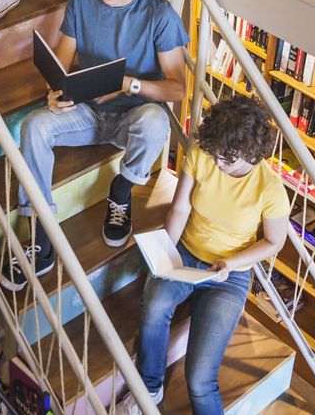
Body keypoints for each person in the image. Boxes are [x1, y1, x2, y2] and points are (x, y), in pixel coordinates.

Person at [2, 0, 188, 291]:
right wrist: (53, 91)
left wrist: (130, 84)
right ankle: (39, 229)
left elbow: (178, 87)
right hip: (85, 112)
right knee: (34, 126)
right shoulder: (82, 1)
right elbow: (63, 57)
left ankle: (123, 187)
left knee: (156, 121)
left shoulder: (160, 15)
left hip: (132, 116)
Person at [120, 97, 290, 415]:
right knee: (154, 306)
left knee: (199, 379)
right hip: (186, 253)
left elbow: (273, 242)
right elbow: (181, 205)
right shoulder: (204, 153)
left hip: (230, 275)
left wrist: (232, 263)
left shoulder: (270, 190)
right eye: (213, 155)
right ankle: (149, 388)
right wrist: (165, 251)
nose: (216, 164)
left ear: (251, 154)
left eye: (225, 159)